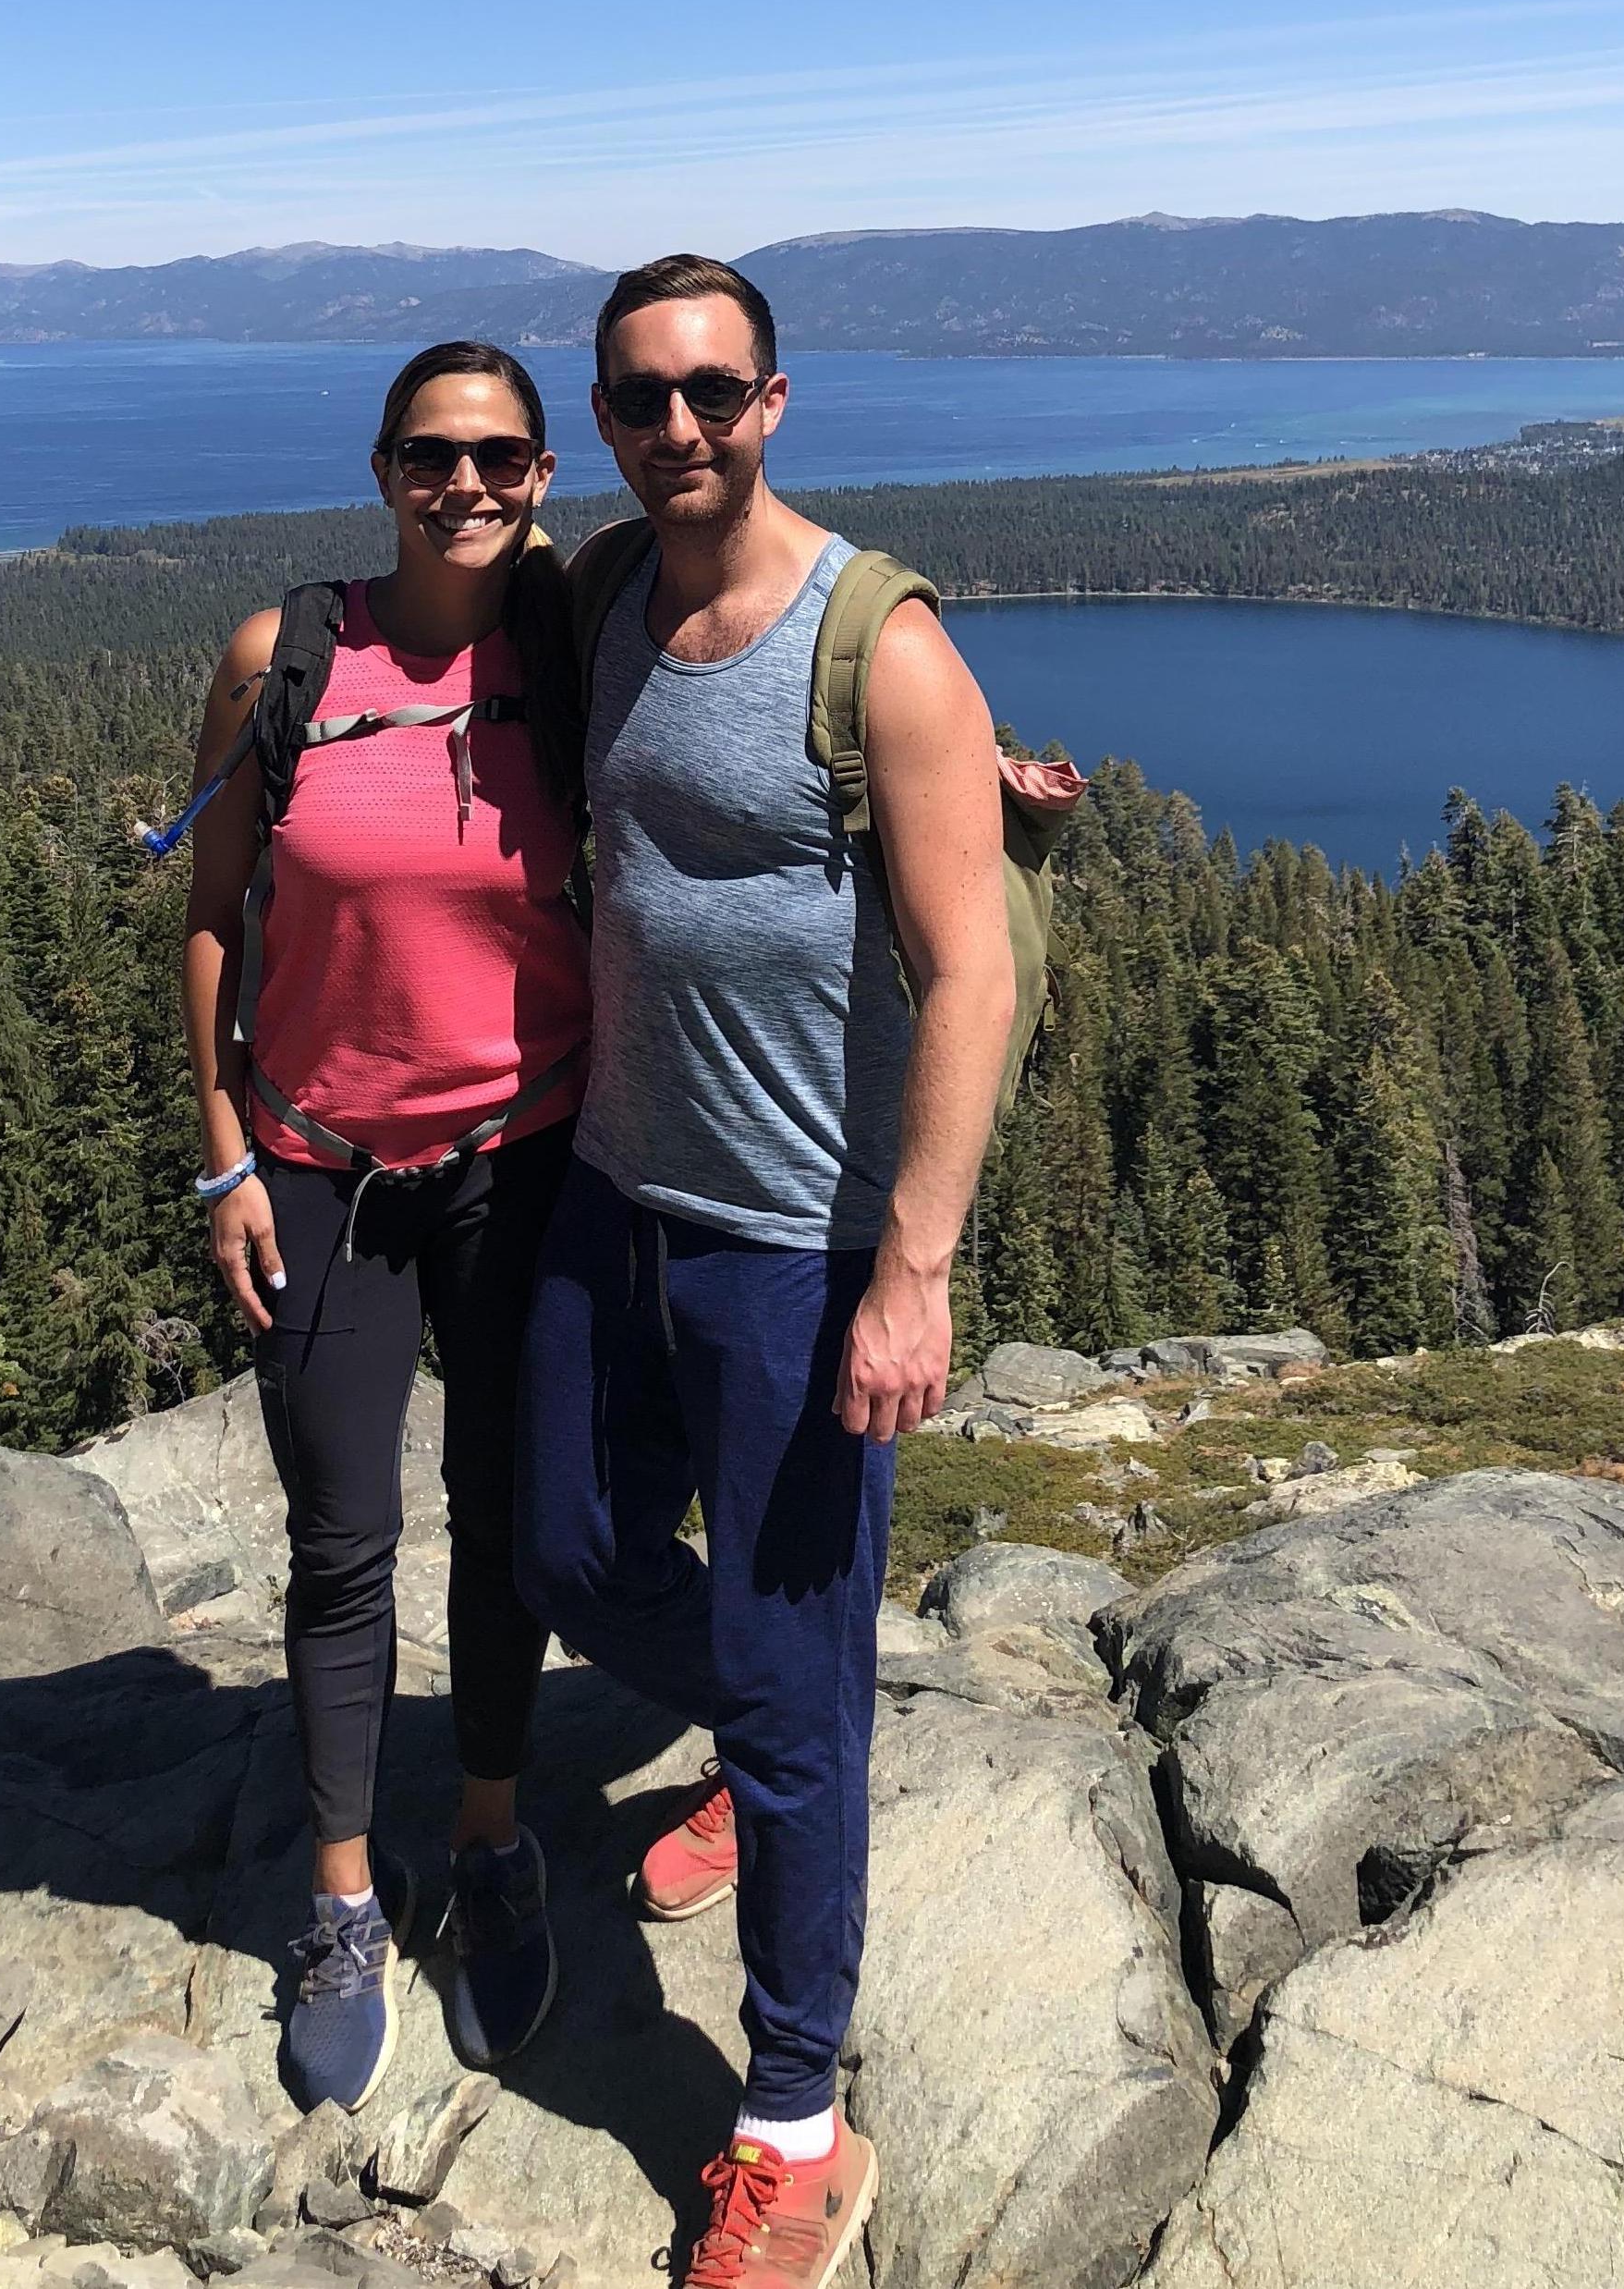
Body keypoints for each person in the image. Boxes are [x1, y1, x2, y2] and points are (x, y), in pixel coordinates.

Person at [517, 258, 1016, 2286]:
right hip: (616, 1190)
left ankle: (793, 2110)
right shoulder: (604, 597)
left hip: (799, 1245)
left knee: (798, 1689)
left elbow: (968, 964)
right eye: (641, 395)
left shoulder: (876, 644)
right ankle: (768, 1721)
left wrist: (914, 1264)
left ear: (775, 400)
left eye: (711, 390)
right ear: (608, 415)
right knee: (557, 1548)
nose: (679, 425)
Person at [181, 340, 588, 2115]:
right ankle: (345, 1899)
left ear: (543, 474)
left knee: (503, 1521)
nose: (467, 484)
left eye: (500, 455)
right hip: (319, 1165)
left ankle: (489, 1836)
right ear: (382, 467)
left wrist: (969, 785)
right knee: (342, 1539)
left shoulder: (575, 650)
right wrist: (222, 1153)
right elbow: (210, 916)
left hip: (523, 1151)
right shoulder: (286, 659)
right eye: (434, 454)